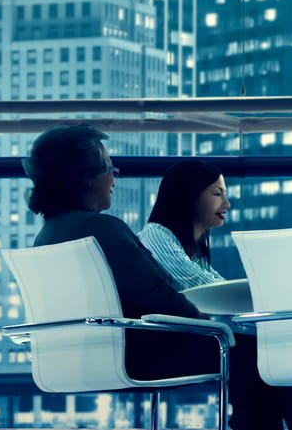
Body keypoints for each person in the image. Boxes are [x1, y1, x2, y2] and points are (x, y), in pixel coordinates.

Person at [140, 160, 292, 430]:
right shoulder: (155, 236)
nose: (227, 203)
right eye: (217, 193)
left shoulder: (193, 248)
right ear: (188, 196)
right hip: (174, 347)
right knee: (262, 386)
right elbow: (204, 291)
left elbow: (219, 298)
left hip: (206, 341)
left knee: (264, 397)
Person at [23, 124, 215, 382]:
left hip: (78, 358)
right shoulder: (101, 229)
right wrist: (211, 325)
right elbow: (157, 297)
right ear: (88, 177)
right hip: (142, 356)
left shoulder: (46, 237)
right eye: (110, 169)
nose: (114, 179)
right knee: (250, 350)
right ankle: (259, 424)